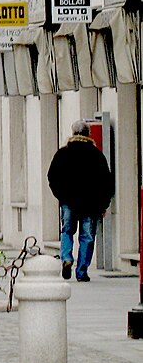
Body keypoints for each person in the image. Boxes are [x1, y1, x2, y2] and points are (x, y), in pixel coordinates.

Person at [47, 120, 114, 282]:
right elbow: (107, 181)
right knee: (87, 237)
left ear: (73, 132)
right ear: (88, 134)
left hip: (68, 202)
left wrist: (62, 197)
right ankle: (82, 271)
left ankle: (66, 258)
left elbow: (52, 177)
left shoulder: (63, 153)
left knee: (67, 231)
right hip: (91, 205)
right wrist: (103, 204)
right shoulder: (97, 155)